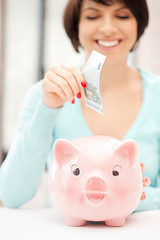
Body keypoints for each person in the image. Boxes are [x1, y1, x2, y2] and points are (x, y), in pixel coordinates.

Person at [0, 0, 158, 210]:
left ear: (139, 24)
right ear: (76, 26)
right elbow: (11, 195)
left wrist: (131, 197)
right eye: (93, 16)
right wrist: (47, 109)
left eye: (122, 16)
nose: (108, 28)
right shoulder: (43, 95)